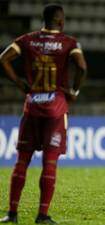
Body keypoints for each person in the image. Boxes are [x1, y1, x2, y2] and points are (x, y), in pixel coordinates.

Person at [0, 4, 87, 224]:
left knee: (22, 161)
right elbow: (82, 67)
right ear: (60, 21)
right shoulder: (69, 43)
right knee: (49, 163)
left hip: (32, 105)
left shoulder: (27, 40)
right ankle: (42, 215)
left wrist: (20, 84)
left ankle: (12, 213)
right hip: (55, 108)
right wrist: (74, 91)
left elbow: (3, 58)